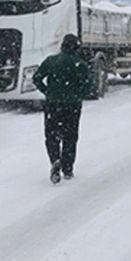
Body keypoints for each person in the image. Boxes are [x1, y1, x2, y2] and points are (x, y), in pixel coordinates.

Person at [33, 33, 92, 184]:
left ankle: (54, 160)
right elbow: (88, 84)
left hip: (52, 105)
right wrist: (78, 95)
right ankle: (68, 168)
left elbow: (36, 78)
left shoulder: (50, 61)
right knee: (70, 137)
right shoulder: (79, 64)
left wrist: (47, 91)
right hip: (72, 106)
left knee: (51, 135)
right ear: (76, 47)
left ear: (62, 46)